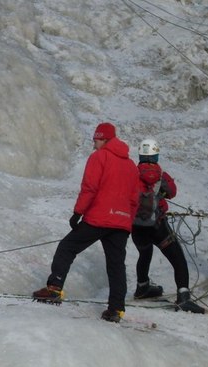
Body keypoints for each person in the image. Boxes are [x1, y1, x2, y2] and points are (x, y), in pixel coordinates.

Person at [32, 123, 140, 322]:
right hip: (121, 222)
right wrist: (127, 221)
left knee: (67, 247)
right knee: (116, 265)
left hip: (99, 217)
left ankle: (54, 288)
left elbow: (90, 187)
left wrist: (77, 212)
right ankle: (116, 310)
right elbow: (135, 199)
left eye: (96, 140)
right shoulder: (131, 165)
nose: (93, 144)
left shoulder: (99, 157)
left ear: (103, 139)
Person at [131, 139, 204, 313]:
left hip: (136, 226)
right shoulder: (161, 175)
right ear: (156, 155)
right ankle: (183, 297)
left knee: (144, 253)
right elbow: (172, 192)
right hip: (158, 227)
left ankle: (142, 287)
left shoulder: (131, 172)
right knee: (177, 258)